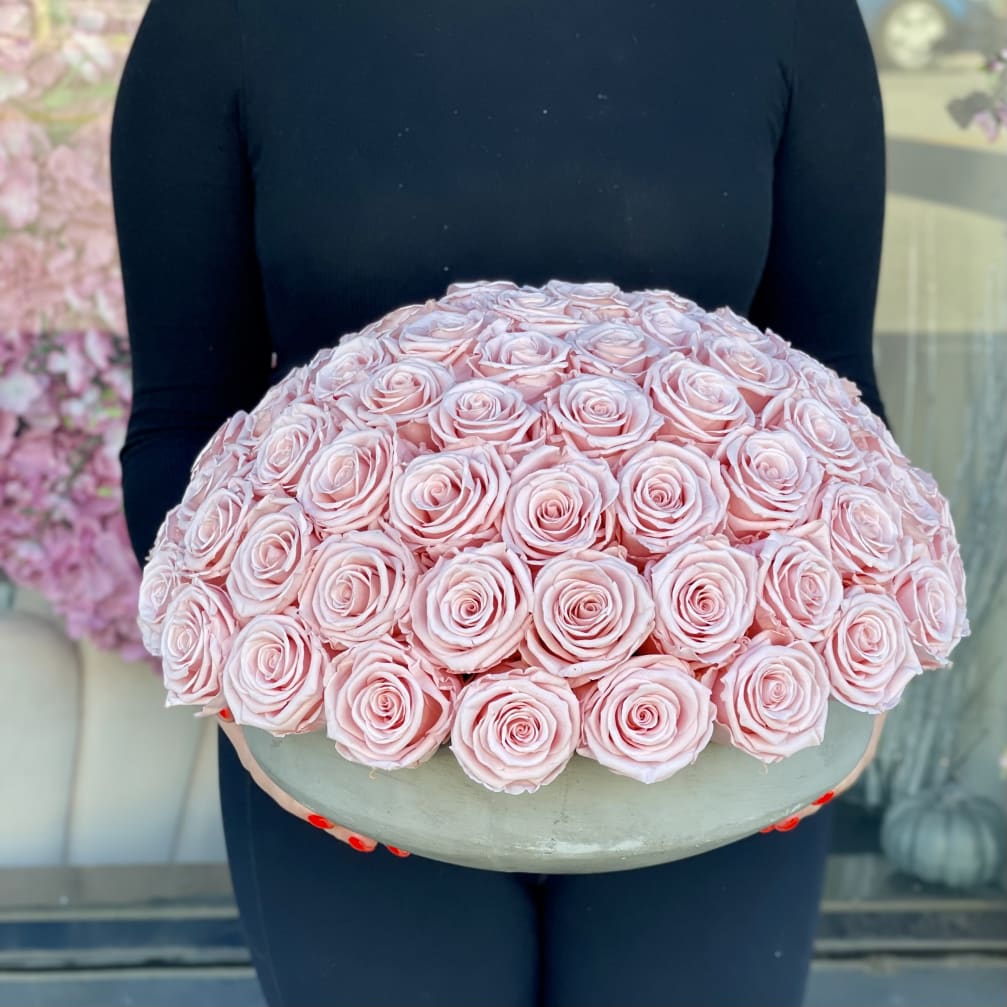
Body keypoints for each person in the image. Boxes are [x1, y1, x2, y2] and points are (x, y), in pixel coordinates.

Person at [111, 1, 889, 1004]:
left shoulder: (789, 17)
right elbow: (183, 418)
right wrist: (250, 694)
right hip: (353, 733)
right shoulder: (220, 23)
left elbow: (837, 393)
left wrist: (842, 690)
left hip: (714, 730)